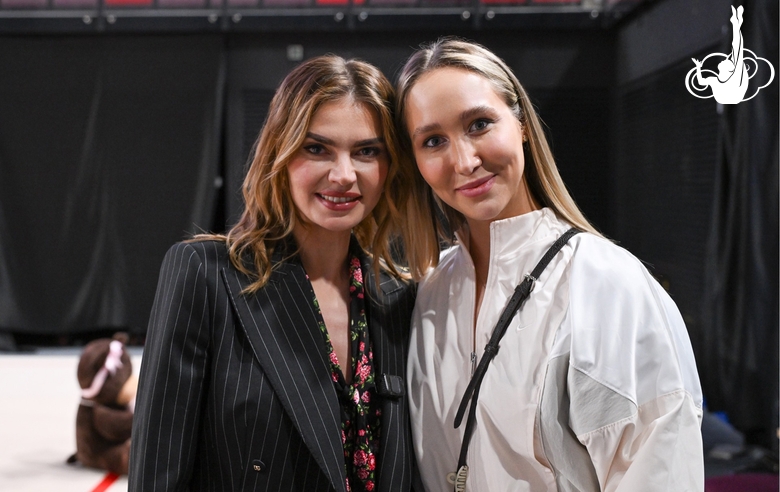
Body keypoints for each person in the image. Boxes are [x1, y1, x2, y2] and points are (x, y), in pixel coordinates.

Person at [395, 38, 704, 491]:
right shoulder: (428, 292)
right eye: (433, 141)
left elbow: (659, 468)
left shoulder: (606, 284)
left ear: (520, 122)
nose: (464, 161)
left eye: (479, 124)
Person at [129, 55, 417, 492]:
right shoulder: (205, 276)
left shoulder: (401, 296)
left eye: (366, 151)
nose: (344, 175)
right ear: (279, 153)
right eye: (316, 148)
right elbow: (158, 475)